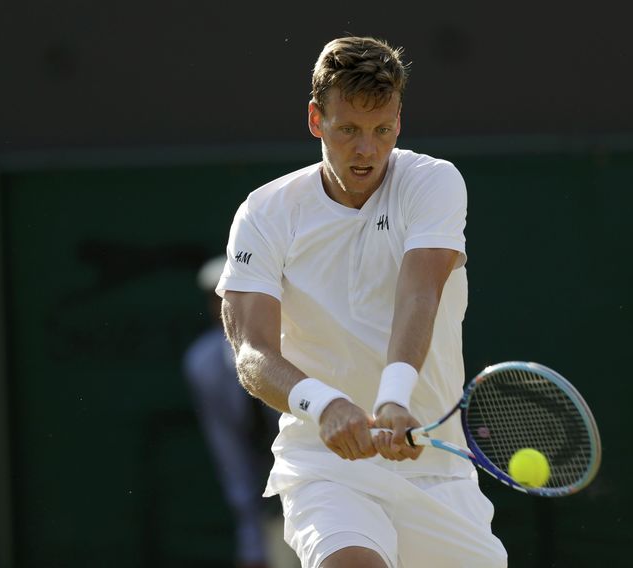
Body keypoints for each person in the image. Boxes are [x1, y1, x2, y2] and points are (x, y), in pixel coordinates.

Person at [216, 36, 507, 568]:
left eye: (383, 130)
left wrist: (394, 400)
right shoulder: (265, 212)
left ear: (400, 120)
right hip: (326, 467)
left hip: (437, 471)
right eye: (348, 129)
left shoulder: (434, 183)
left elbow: (419, 293)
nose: (367, 150)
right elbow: (251, 352)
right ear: (315, 119)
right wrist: (324, 406)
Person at [183, 254, 283, 568]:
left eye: (241, 293)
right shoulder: (203, 362)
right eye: (220, 298)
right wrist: (253, 541)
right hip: (267, 503)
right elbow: (230, 451)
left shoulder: (296, 341)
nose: (230, 305)